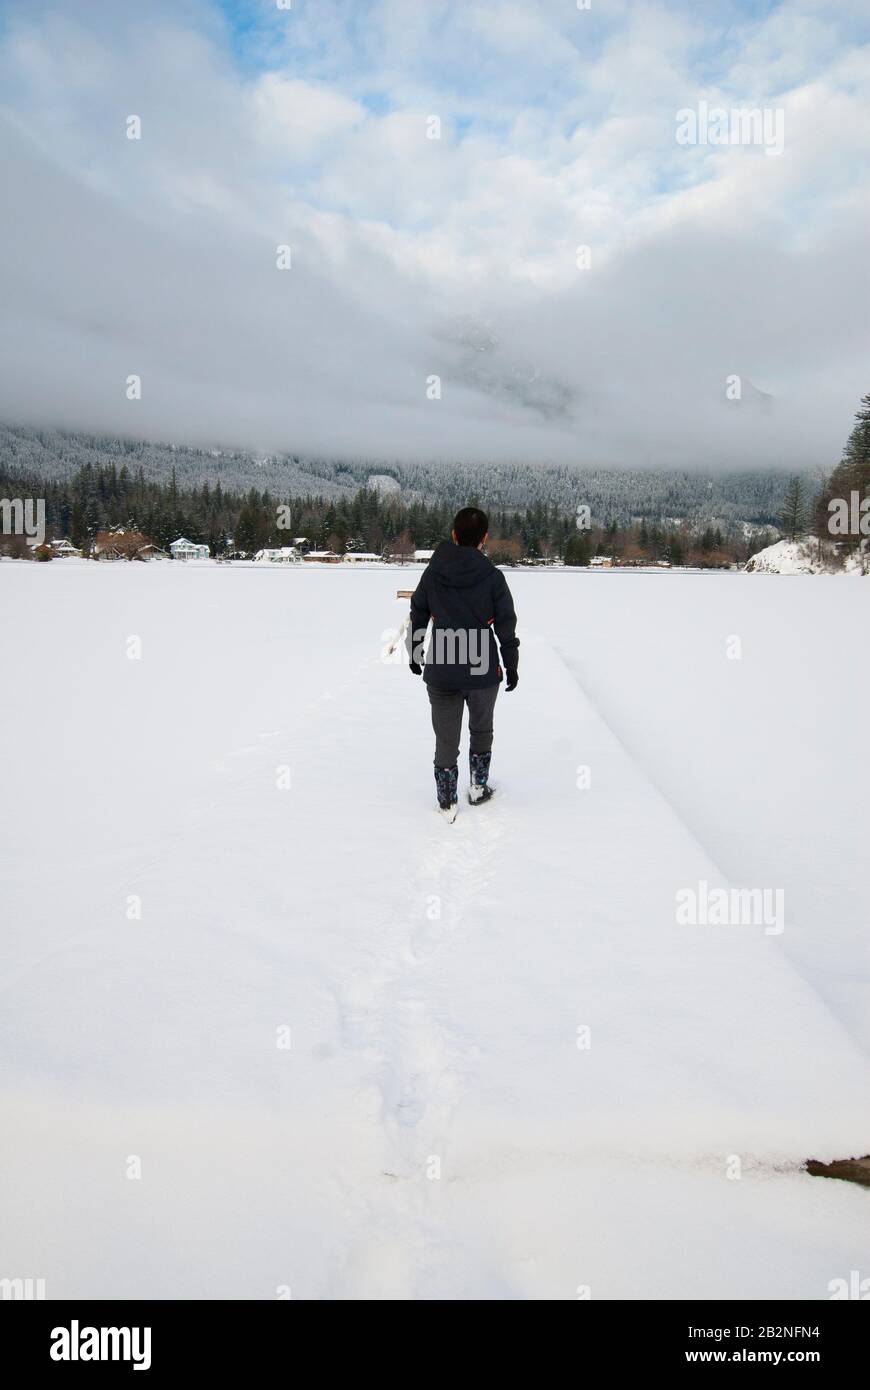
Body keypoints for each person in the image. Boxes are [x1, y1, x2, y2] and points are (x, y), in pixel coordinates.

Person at [408, 507, 520, 820]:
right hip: (483, 668)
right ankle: (477, 788)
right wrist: (511, 664)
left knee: (446, 736)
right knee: (481, 729)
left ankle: (447, 801)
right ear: (484, 539)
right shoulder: (493, 577)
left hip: (442, 667)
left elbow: (418, 613)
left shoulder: (432, 573)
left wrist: (415, 653)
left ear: (454, 535)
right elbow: (506, 626)